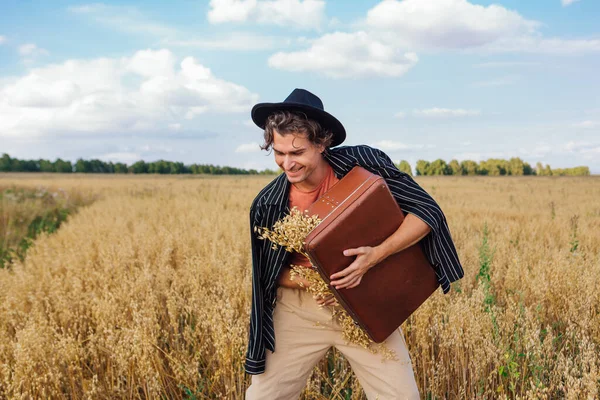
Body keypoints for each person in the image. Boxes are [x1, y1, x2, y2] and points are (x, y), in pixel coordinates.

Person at [245, 88, 463, 399]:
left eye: (297, 153)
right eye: (279, 153)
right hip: (298, 312)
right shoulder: (268, 205)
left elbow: (427, 211)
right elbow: (266, 276)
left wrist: (375, 256)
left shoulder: (363, 164)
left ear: (322, 143)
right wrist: (325, 284)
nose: (287, 163)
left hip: (364, 308)